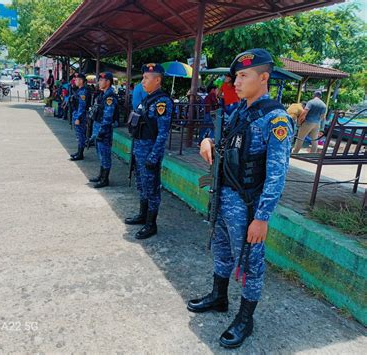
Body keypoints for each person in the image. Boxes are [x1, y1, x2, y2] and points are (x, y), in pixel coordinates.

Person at [187, 49, 293, 348]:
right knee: (221, 251)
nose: (237, 81)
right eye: (236, 76)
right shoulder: (238, 112)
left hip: (248, 209)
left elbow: (276, 175)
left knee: (251, 264)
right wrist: (207, 140)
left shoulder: (275, 119)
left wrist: (261, 218)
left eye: (244, 75)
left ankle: (246, 319)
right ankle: (219, 297)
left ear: (263, 77)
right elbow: (214, 134)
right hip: (223, 199)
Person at [124, 63, 173, 240]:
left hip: (150, 152)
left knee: (152, 189)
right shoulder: (147, 99)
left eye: (146, 78)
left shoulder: (162, 102)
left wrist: (153, 156)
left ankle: (151, 224)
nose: (143, 81)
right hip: (139, 150)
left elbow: (162, 133)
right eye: (143, 77)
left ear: (157, 79)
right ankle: (142, 216)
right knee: (142, 185)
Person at [88, 72, 118, 188]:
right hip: (98, 128)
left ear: (108, 82)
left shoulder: (110, 97)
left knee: (105, 154)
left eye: (101, 80)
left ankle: (105, 179)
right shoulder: (102, 95)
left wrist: (101, 132)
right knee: (100, 153)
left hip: (104, 131)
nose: (99, 82)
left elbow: (108, 117)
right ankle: (101, 176)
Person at [69, 73, 90, 161]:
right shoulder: (79, 90)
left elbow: (82, 106)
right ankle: (79, 152)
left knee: (81, 135)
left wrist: (78, 118)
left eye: (77, 79)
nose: (75, 81)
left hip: (80, 117)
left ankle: (80, 154)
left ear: (81, 81)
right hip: (77, 114)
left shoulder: (83, 92)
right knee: (78, 135)